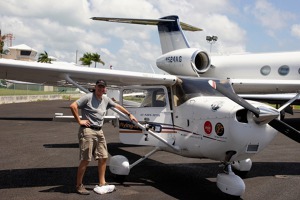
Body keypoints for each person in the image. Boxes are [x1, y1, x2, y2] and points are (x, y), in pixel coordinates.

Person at [70, 79, 138, 195]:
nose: (101, 89)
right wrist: (79, 121)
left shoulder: (105, 99)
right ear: (95, 87)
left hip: (99, 131)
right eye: (99, 86)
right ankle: (79, 185)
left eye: (103, 87)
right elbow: (73, 106)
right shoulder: (88, 97)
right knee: (86, 159)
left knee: (103, 157)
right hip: (87, 131)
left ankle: (102, 182)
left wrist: (129, 114)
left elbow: (117, 106)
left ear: (105, 89)